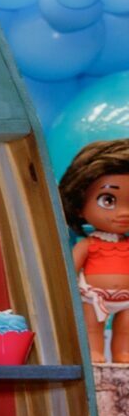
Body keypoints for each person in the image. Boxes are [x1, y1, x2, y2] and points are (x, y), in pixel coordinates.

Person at [59, 139, 129, 364]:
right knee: (91, 327)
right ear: (79, 205)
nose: (124, 212)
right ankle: (94, 352)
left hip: (127, 299)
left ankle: (123, 354)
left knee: (126, 329)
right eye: (108, 200)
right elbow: (68, 271)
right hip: (93, 297)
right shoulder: (88, 245)